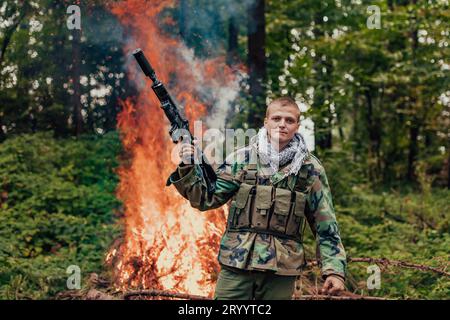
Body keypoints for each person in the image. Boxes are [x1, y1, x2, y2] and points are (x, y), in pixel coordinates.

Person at [167, 96, 347, 300]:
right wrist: (188, 165)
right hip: (237, 264)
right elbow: (207, 199)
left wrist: (334, 271)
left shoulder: (309, 169)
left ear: (297, 126)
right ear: (266, 122)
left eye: (289, 120)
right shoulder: (241, 160)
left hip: (281, 271)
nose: (282, 124)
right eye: (276, 118)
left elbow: (326, 226)